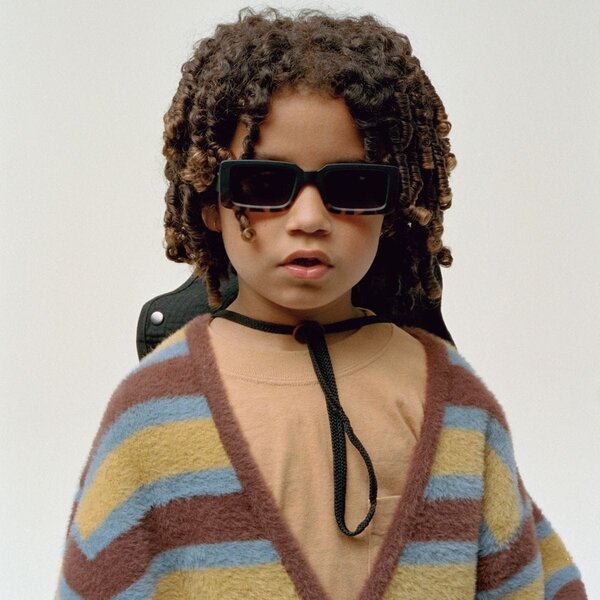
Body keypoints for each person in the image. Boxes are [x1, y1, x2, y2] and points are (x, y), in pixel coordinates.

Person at [56, 8, 587, 599]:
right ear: (209, 201)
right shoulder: (150, 413)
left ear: (394, 206)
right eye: (263, 184)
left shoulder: (458, 404)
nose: (309, 218)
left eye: (352, 186)